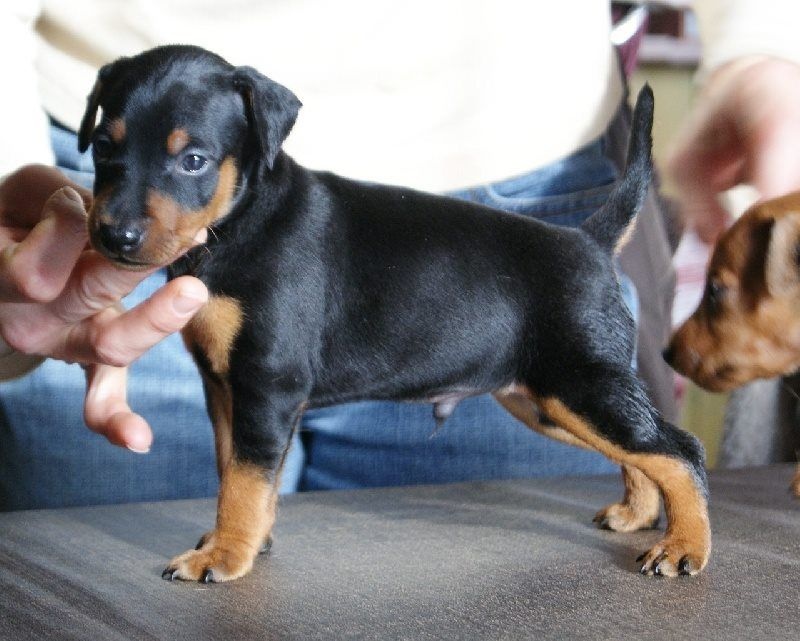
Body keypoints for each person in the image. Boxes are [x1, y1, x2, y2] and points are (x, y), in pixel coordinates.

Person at [0, 1, 795, 509]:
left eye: (195, 160)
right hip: (86, 237)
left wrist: (764, 45)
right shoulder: (126, 184)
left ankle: (673, 494)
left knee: (552, 586)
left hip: (521, 209)